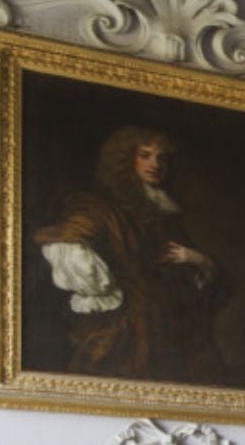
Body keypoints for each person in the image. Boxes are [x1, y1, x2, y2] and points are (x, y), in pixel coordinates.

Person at [30, 125, 228, 383]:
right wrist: (97, 282)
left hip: (175, 316)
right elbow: (76, 230)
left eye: (161, 158)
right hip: (132, 321)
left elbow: (198, 273)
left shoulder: (166, 208)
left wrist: (197, 259)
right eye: (144, 155)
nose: (155, 164)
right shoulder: (107, 206)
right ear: (125, 160)